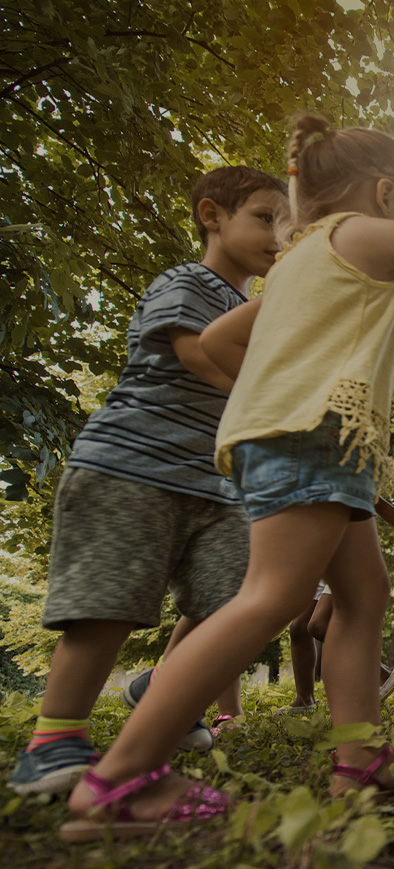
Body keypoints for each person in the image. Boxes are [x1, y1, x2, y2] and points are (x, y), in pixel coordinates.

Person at [58, 114, 394, 840]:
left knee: (364, 593)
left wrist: (264, 399)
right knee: (271, 598)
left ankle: (363, 761)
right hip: (313, 438)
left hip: (303, 440)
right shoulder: (376, 235)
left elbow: (220, 340)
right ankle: (119, 779)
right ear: (385, 194)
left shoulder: (295, 262)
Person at [6, 166, 286, 797]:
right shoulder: (189, 283)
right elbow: (199, 354)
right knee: (107, 607)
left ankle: (161, 692)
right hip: (131, 468)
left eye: (289, 226)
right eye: (266, 218)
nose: (280, 236)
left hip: (216, 486)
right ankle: (54, 742)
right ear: (212, 216)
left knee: (242, 602)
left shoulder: (250, 308)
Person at [280, 497, 394, 715]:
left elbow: (379, 503)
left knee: (318, 625)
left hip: (346, 552)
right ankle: (304, 700)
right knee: (298, 627)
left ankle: (382, 674)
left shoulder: (342, 470)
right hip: (318, 557)